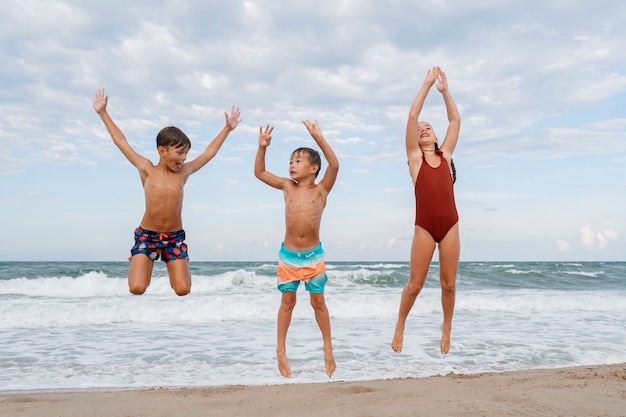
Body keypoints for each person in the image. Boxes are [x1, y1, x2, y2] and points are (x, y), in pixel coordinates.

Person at [92, 88, 241, 296]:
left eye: (187, 153)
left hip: (174, 238)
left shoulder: (184, 173)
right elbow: (121, 141)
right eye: (180, 152)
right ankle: (138, 256)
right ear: (162, 151)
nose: (184, 158)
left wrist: (227, 128)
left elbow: (209, 153)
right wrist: (103, 113)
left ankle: (180, 258)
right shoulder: (147, 169)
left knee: (182, 290)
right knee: (137, 288)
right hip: (147, 236)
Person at [254, 120, 339, 378]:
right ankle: (280, 349)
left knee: (319, 303)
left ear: (313, 168)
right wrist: (262, 148)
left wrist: (319, 139)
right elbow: (259, 172)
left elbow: (334, 165)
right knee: (287, 302)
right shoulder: (286, 187)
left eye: (298, 161)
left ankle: (327, 347)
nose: (291, 165)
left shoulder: (322, 190)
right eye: (290, 161)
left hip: (314, 257)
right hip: (288, 257)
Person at [391, 66, 461, 355]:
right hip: (424, 228)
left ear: (435, 137)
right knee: (415, 285)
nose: (422, 129)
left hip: (450, 227)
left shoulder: (446, 155)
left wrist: (445, 92)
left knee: (448, 285)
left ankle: (446, 328)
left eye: (427, 128)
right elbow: (410, 117)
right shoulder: (415, 160)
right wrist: (425, 85)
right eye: (419, 129)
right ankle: (400, 325)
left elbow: (455, 119)